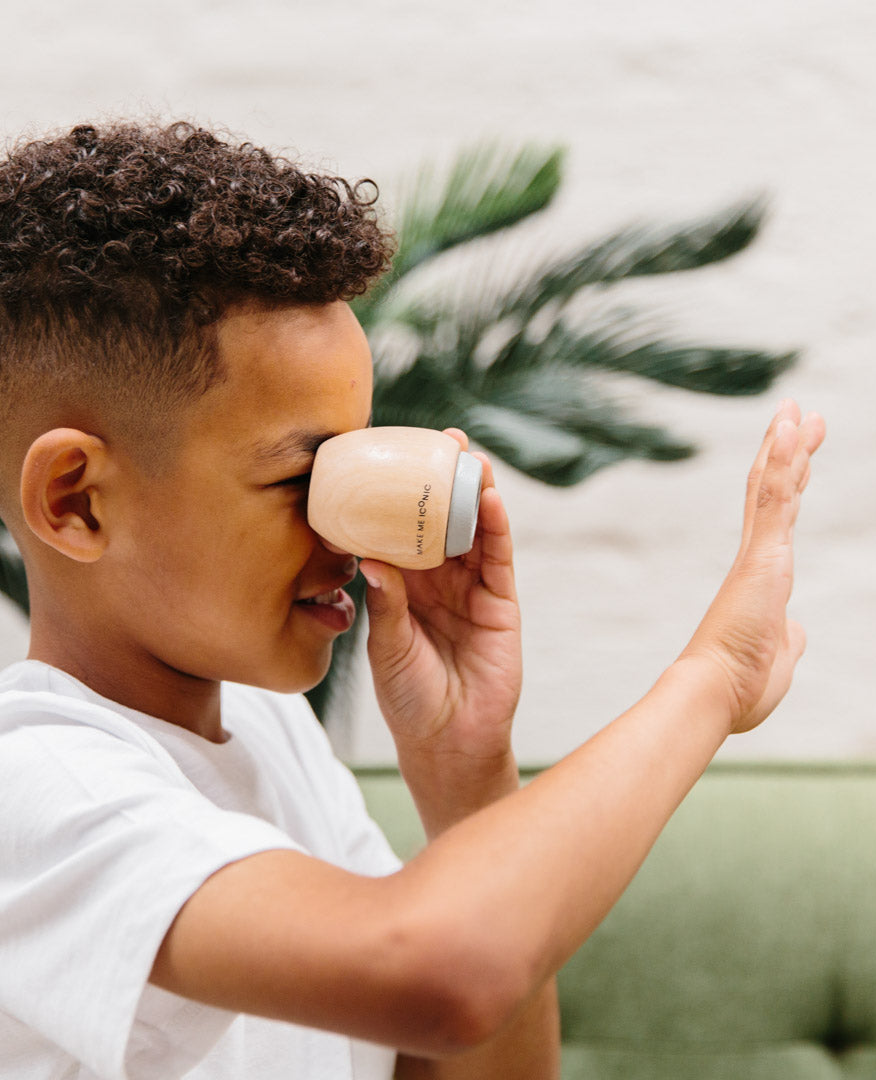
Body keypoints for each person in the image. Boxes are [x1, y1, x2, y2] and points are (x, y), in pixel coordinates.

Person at [0, 120, 826, 1080]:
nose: (353, 532)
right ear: (77, 502)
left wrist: (464, 776)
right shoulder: (35, 791)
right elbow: (445, 973)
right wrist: (713, 679)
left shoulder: (269, 736)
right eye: (302, 479)